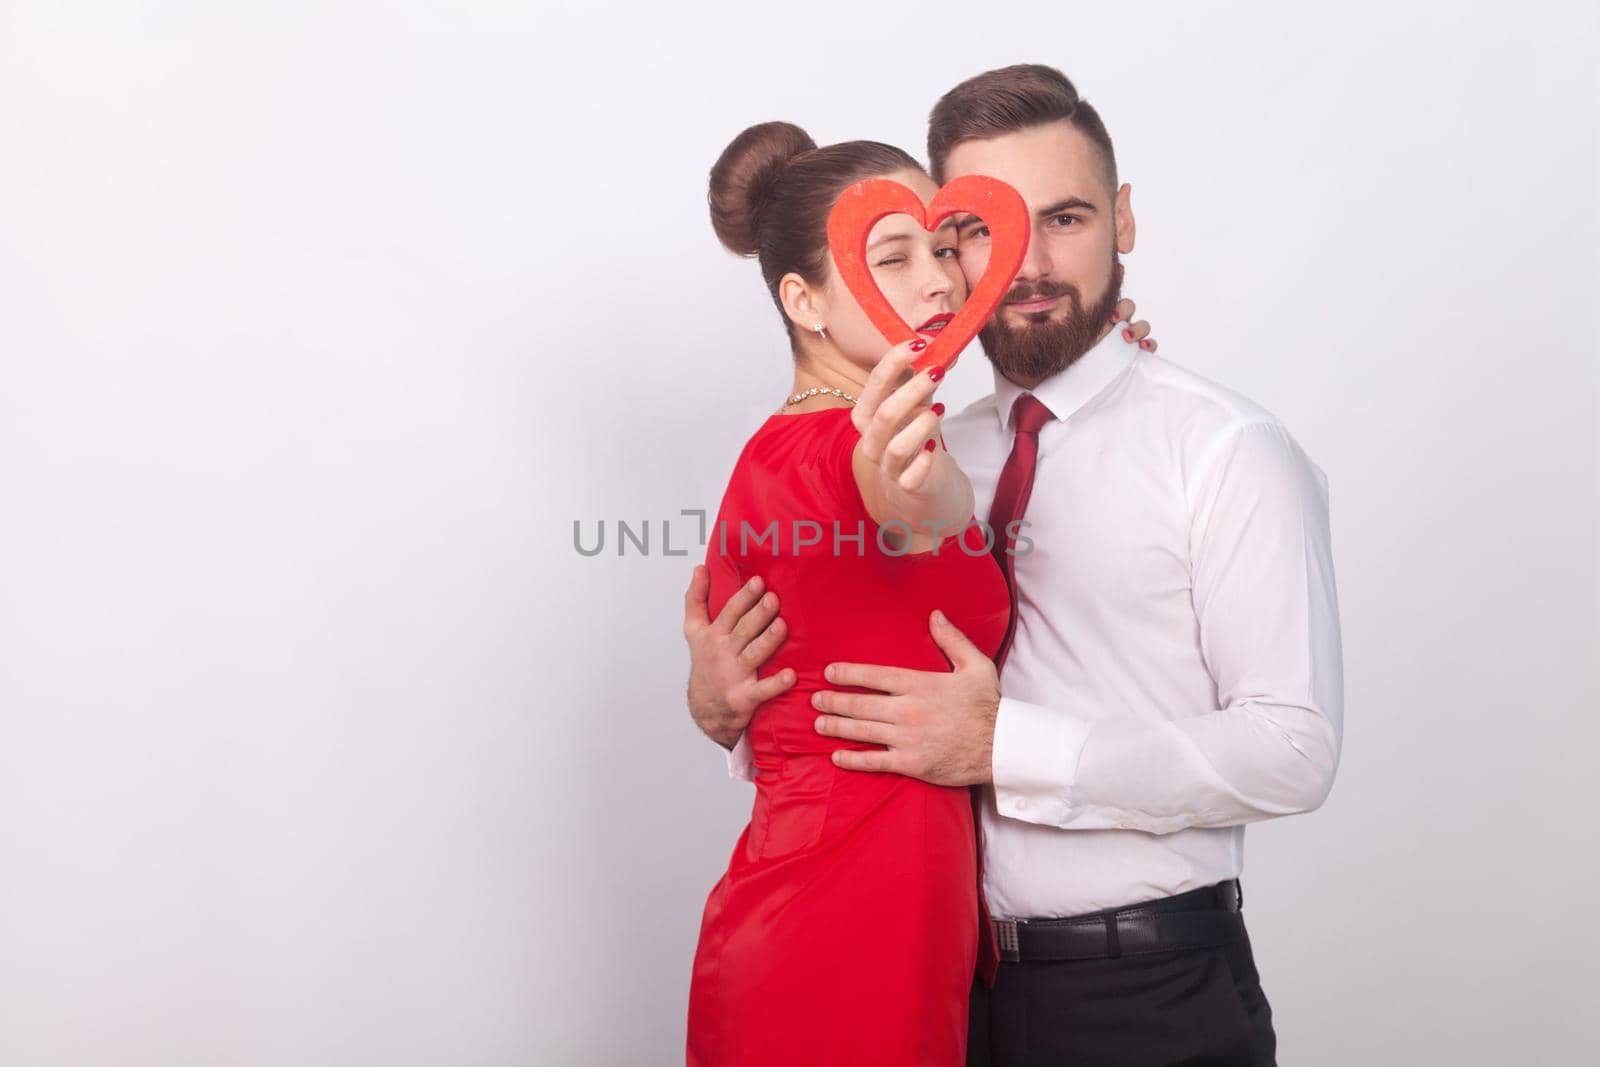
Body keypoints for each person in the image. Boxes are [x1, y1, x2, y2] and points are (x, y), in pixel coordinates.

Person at [685, 66, 1342, 1067]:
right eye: (980, 233)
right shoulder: (935, 443)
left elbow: (1291, 748)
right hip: (935, 981)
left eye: (1066, 218)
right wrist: (722, 702)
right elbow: (840, 649)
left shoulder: (1222, 447)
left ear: (1123, 221)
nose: (1023, 264)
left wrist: (1006, 746)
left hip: (1141, 995)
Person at [682, 119, 1155, 1067]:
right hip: (845, 924)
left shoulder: (787, 447)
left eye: (945, 248)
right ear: (805, 300)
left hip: (874, 906)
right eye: (893, 256)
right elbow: (896, 489)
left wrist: (1094, 362)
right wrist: (927, 493)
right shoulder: (849, 449)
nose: (939, 280)